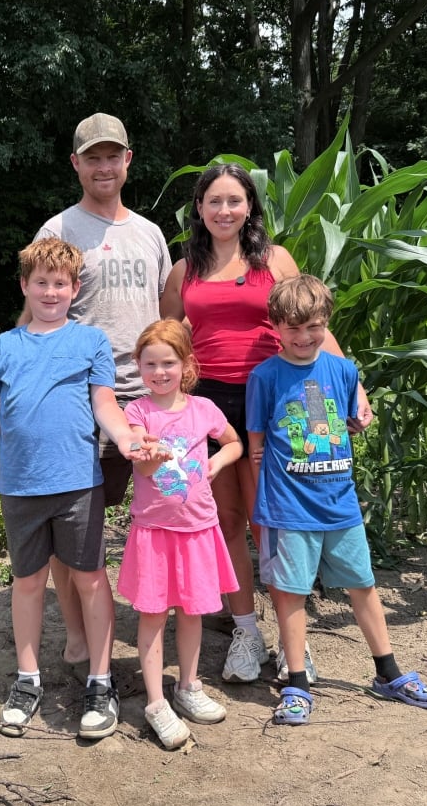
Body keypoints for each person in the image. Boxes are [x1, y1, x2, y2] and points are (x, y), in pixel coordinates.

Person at [160, 163, 373, 683]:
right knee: (228, 518)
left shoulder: (274, 260)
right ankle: (245, 632)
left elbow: (314, 325)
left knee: (271, 522)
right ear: (200, 208)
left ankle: (289, 643)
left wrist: (354, 387)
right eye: (214, 201)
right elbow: (170, 336)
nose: (225, 210)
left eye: (234, 200)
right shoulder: (183, 269)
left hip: (279, 403)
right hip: (210, 404)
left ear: (250, 206)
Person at [247, 275, 427, 725]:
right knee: (292, 593)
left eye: (313, 326)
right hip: (289, 508)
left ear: (327, 323)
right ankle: (296, 681)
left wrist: (357, 419)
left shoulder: (343, 370)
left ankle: (388, 672)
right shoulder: (265, 377)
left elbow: (345, 419)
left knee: (363, 584)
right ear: (276, 326)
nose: (303, 337)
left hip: (340, 502)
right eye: (293, 328)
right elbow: (257, 445)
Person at [0, 238, 149, 740]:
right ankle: (27, 679)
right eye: (41, 283)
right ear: (25, 285)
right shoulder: (5, 345)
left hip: (77, 484)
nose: (50, 292)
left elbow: (105, 405)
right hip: (19, 488)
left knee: (91, 578)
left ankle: (101, 680)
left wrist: (127, 439)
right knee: (28, 582)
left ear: (75, 288)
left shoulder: (90, 341)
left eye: (60, 284)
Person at [26, 112, 173, 666]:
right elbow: (36, 314)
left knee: (165, 512)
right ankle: (78, 631)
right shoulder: (58, 230)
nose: (104, 166)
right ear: (76, 164)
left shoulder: (150, 234)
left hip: (150, 400)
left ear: (128, 160)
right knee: (75, 525)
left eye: (113, 156)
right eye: (93, 157)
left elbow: (165, 317)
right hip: (82, 400)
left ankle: (166, 621)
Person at [117, 320, 241, 749]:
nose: (159, 372)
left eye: (168, 363)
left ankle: (188, 686)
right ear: (138, 366)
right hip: (154, 532)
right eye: (150, 364)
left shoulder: (204, 409)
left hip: (198, 530)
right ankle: (155, 703)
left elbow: (234, 442)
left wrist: (218, 462)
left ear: (186, 364)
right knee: (153, 615)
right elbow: (141, 460)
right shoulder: (136, 413)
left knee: (192, 612)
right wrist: (151, 454)